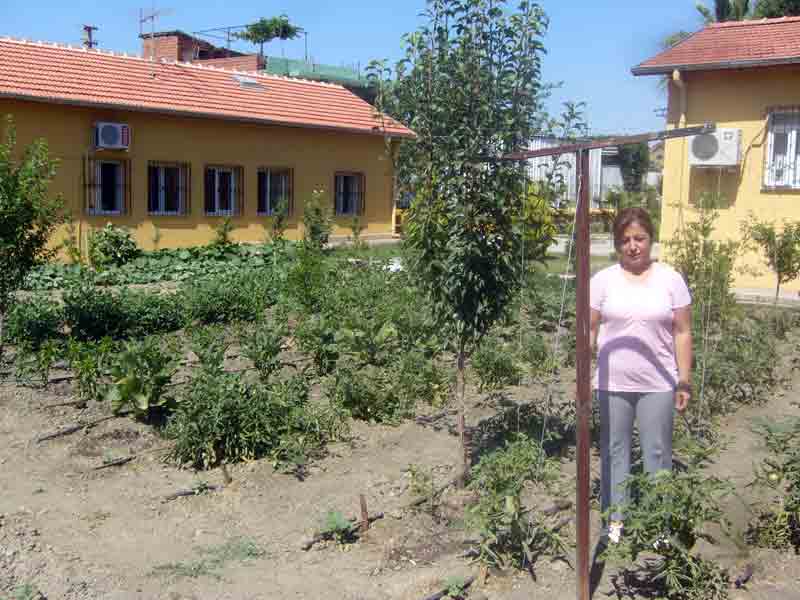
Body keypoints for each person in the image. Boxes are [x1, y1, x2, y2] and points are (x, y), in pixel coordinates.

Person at [589, 207, 692, 544]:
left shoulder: (670, 279)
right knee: (614, 449)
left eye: (639, 238)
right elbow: (588, 330)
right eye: (625, 240)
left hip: (658, 383)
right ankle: (614, 521)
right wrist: (582, 367)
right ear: (617, 243)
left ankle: (657, 525)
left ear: (651, 239)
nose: (633, 246)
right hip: (612, 382)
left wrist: (684, 379)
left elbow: (682, 332)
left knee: (657, 452)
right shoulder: (603, 281)